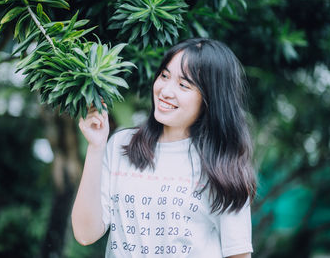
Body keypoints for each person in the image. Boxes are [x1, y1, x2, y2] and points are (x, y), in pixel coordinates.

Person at [71, 38, 257, 258]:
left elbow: (238, 254)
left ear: (210, 99)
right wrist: (96, 146)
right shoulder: (122, 145)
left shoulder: (222, 166)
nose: (165, 91)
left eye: (184, 85)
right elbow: (85, 234)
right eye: (164, 76)